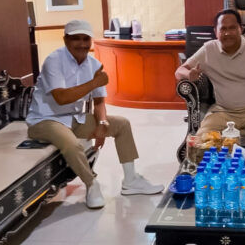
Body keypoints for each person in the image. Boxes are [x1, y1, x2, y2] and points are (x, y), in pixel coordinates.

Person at [26, 19, 164, 209]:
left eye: (86, 39)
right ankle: (91, 184)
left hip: (74, 119)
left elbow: (99, 101)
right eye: (76, 38)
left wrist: (102, 124)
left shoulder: (93, 65)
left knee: (122, 124)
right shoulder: (54, 61)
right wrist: (94, 83)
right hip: (45, 120)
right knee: (71, 143)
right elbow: (61, 98)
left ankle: (131, 180)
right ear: (65, 40)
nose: (82, 44)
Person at [174, 9, 245, 141]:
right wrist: (189, 74)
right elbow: (179, 71)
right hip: (223, 112)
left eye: (232, 28)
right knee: (199, 142)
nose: (227, 33)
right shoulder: (209, 49)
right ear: (216, 32)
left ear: (241, 29)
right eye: (223, 29)